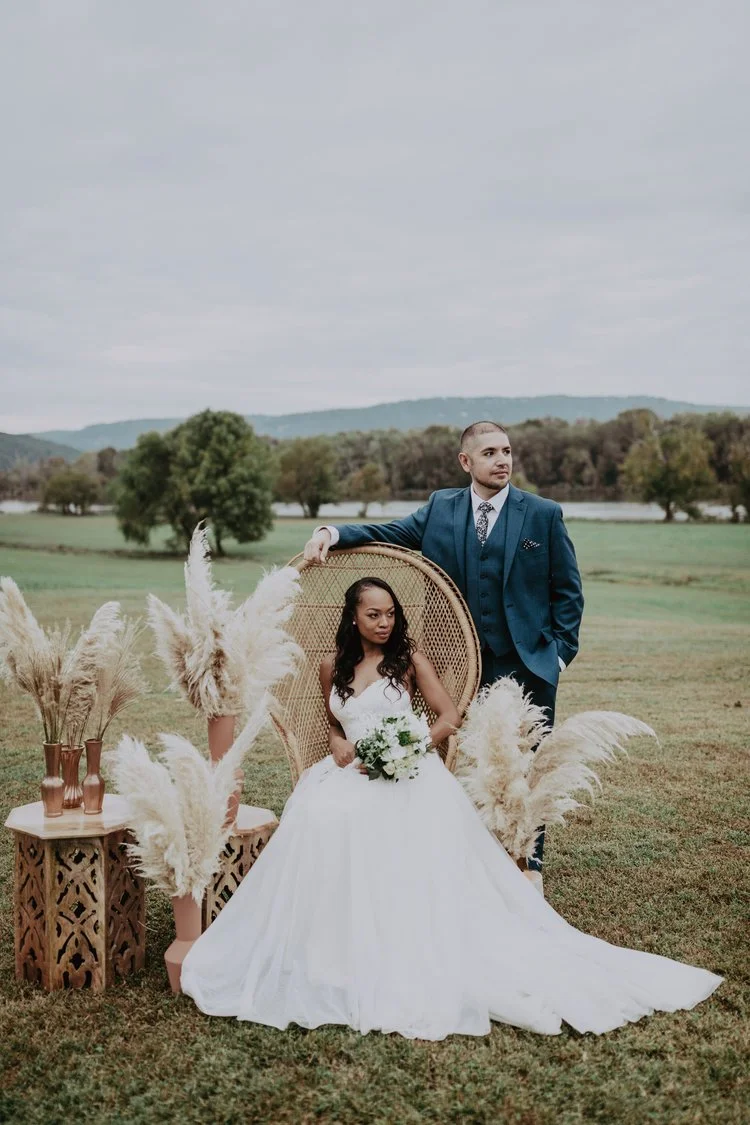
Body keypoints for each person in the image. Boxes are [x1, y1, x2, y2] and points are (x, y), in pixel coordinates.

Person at [180, 578, 721, 1041]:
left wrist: (407, 748)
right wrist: (338, 741)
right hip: (346, 773)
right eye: (373, 615)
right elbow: (335, 722)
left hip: (407, 772)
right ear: (352, 618)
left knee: (375, 826)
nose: (385, 622)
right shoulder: (330, 666)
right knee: (319, 819)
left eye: (391, 613)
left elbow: (447, 716)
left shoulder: (409, 659)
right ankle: (330, 950)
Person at [303, 420, 584, 894]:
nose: (503, 460)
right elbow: (385, 531)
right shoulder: (440, 509)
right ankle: (469, 857)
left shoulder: (542, 514)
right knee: (466, 757)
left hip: (527, 662)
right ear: (465, 461)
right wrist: (332, 532)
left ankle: (528, 864)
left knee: (525, 765)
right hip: (458, 664)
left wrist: (557, 657)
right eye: (491, 452)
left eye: (508, 451)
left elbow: (568, 593)